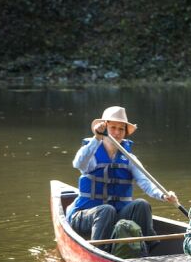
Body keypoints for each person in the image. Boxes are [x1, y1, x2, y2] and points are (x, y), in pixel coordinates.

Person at [65, 106, 179, 250]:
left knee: (141, 204)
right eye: (113, 128)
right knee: (106, 210)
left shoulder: (129, 158)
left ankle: (149, 247)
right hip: (84, 216)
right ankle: (101, 251)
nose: (117, 133)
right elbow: (78, 163)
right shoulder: (91, 153)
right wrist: (97, 138)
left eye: (121, 129)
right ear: (104, 128)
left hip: (114, 216)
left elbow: (146, 183)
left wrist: (163, 195)